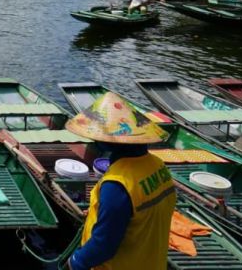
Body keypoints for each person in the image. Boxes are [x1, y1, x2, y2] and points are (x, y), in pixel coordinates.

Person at [65, 92, 175, 270]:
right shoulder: (157, 166)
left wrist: (76, 261)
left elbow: (103, 245)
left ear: (107, 144)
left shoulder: (117, 185)